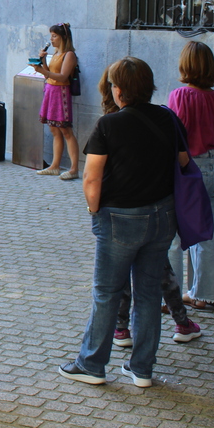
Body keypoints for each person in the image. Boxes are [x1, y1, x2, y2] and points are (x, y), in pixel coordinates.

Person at [58, 57, 184, 388]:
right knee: (148, 293)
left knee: (106, 292)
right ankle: (142, 368)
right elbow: (184, 160)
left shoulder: (108, 125)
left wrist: (94, 210)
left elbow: (91, 177)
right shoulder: (168, 117)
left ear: (118, 90)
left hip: (120, 217)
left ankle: (92, 364)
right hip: (162, 215)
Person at [166, 41, 214, 308]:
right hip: (212, 166)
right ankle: (202, 295)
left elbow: (174, 136)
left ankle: (171, 296)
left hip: (185, 168)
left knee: (174, 237)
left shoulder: (179, 96)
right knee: (205, 234)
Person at [32, 23, 79, 180]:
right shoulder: (56, 53)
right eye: (51, 36)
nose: (51, 39)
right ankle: (55, 166)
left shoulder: (69, 55)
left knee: (66, 130)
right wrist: (43, 62)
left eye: (54, 36)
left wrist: (43, 71)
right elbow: (49, 73)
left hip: (61, 92)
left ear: (63, 37)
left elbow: (63, 76)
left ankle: (74, 168)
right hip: (51, 91)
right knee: (54, 129)